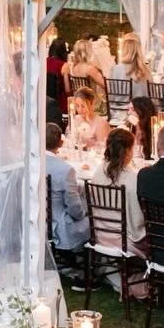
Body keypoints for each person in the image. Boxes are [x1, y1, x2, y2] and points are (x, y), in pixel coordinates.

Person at [91, 126, 145, 246]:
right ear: (127, 151)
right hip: (123, 239)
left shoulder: (98, 170)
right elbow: (136, 220)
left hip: (99, 234)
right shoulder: (131, 178)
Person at [46, 122, 90, 251]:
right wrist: (84, 214)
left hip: (37, 223)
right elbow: (74, 209)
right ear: (60, 143)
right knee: (95, 221)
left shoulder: (32, 163)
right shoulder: (65, 170)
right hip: (59, 229)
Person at [65, 85, 110, 159]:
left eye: (83, 106)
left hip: (94, 159)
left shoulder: (101, 123)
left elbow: (104, 149)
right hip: (77, 157)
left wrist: (84, 141)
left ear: (92, 104)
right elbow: (69, 140)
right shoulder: (75, 119)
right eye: (77, 106)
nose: (80, 110)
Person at [45, 37, 69, 125]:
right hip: (61, 103)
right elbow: (67, 89)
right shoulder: (64, 66)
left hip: (46, 100)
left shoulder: (44, 62)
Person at [130, 94, 156, 163]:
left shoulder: (156, 129)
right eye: (128, 110)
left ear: (142, 112)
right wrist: (137, 128)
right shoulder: (128, 129)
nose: (129, 113)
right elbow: (135, 158)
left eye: (132, 110)